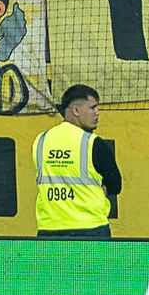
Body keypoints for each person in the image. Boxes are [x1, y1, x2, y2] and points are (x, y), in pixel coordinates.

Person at [34, 83, 116, 241]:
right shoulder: (94, 143)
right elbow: (115, 184)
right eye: (93, 108)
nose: (97, 113)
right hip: (91, 228)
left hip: (49, 228)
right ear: (76, 110)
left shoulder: (40, 141)